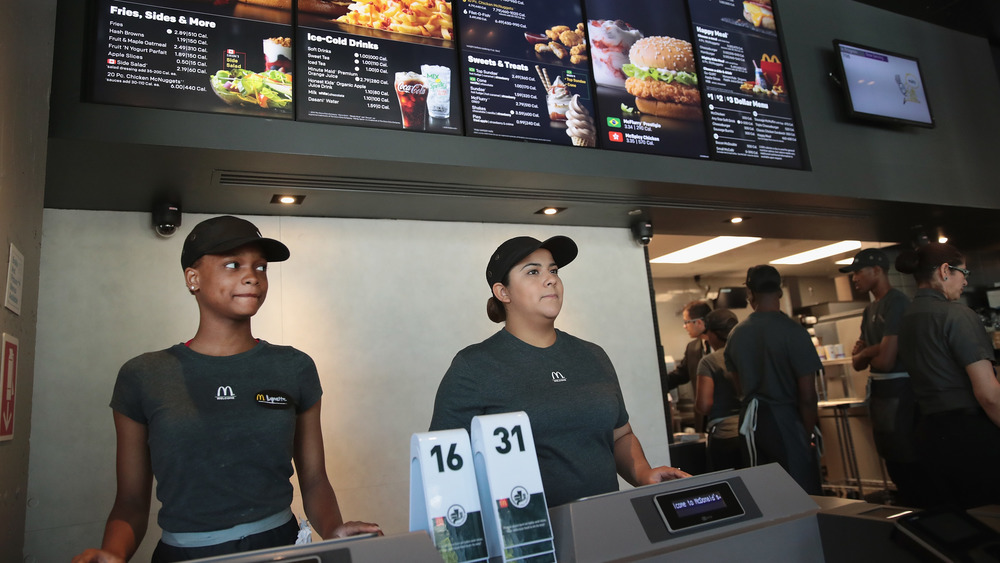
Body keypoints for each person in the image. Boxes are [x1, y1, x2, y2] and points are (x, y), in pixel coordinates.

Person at [73, 216, 380, 563]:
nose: (252, 276)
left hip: (280, 548)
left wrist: (334, 529)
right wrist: (112, 553)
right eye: (233, 265)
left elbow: (313, 479)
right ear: (193, 278)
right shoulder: (143, 375)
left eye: (260, 268)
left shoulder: (294, 367)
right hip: (185, 555)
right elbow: (130, 502)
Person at [429, 235, 689, 508]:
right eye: (533, 271)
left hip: (608, 524)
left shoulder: (592, 355)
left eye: (553, 270)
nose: (551, 279)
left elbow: (620, 434)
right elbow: (446, 465)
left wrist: (643, 474)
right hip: (531, 541)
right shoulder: (474, 366)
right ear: (503, 292)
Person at [896, 242, 1000, 509]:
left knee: (956, 526)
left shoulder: (907, 318)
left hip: (928, 435)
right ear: (945, 270)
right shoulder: (957, 315)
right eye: (963, 272)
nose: (965, 281)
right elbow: (989, 394)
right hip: (969, 438)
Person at [724, 265, 823, 495]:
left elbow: (739, 387)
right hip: (788, 422)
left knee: (763, 495)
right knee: (799, 495)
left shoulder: (736, 335)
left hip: (751, 425)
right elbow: (808, 396)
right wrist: (806, 434)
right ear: (780, 292)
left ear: (750, 293)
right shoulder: (794, 332)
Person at [840, 248, 921, 507]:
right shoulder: (869, 309)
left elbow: (885, 361)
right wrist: (871, 352)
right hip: (880, 396)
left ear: (877, 270)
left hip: (901, 394)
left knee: (909, 466)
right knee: (893, 463)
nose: (854, 279)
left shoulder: (897, 302)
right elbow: (856, 363)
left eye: (857, 272)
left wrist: (868, 352)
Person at [694, 308, 743, 472]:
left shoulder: (709, 362)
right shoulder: (749, 354)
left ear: (713, 334)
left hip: (725, 436)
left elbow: (704, 405)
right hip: (753, 431)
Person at [662, 300, 714, 434]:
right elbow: (681, 374)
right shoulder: (692, 348)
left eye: (686, 322)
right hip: (703, 419)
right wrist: (657, 385)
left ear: (699, 322)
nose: (684, 326)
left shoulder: (726, 346)